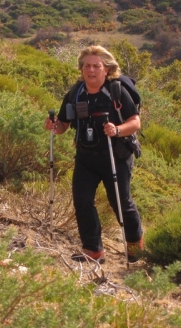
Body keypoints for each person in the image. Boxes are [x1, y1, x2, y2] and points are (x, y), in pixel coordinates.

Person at [44, 45, 144, 263]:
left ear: (106, 69)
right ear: (81, 68)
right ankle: (93, 250)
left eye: (96, 66)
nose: (91, 70)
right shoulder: (75, 92)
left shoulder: (116, 91)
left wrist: (117, 130)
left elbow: (135, 122)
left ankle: (136, 244)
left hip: (115, 154)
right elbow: (63, 125)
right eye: (87, 66)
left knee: (120, 202)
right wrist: (54, 125)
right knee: (82, 200)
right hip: (86, 156)